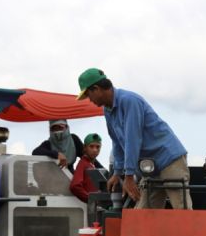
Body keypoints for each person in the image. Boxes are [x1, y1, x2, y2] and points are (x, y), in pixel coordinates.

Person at [77, 68, 192, 209]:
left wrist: (129, 176)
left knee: (182, 210)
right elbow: (117, 142)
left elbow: (133, 139)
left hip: (168, 158)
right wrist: (118, 173)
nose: (90, 100)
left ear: (96, 89)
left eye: (89, 95)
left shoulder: (129, 101)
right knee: (143, 214)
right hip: (150, 166)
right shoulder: (107, 110)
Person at [69, 133, 103, 203]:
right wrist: (90, 199)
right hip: (88, 210)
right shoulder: (83, 163)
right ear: (85, 148)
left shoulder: (91, 165)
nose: (95, 150)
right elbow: (75, 186)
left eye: (98, 147)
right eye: (91, 146)